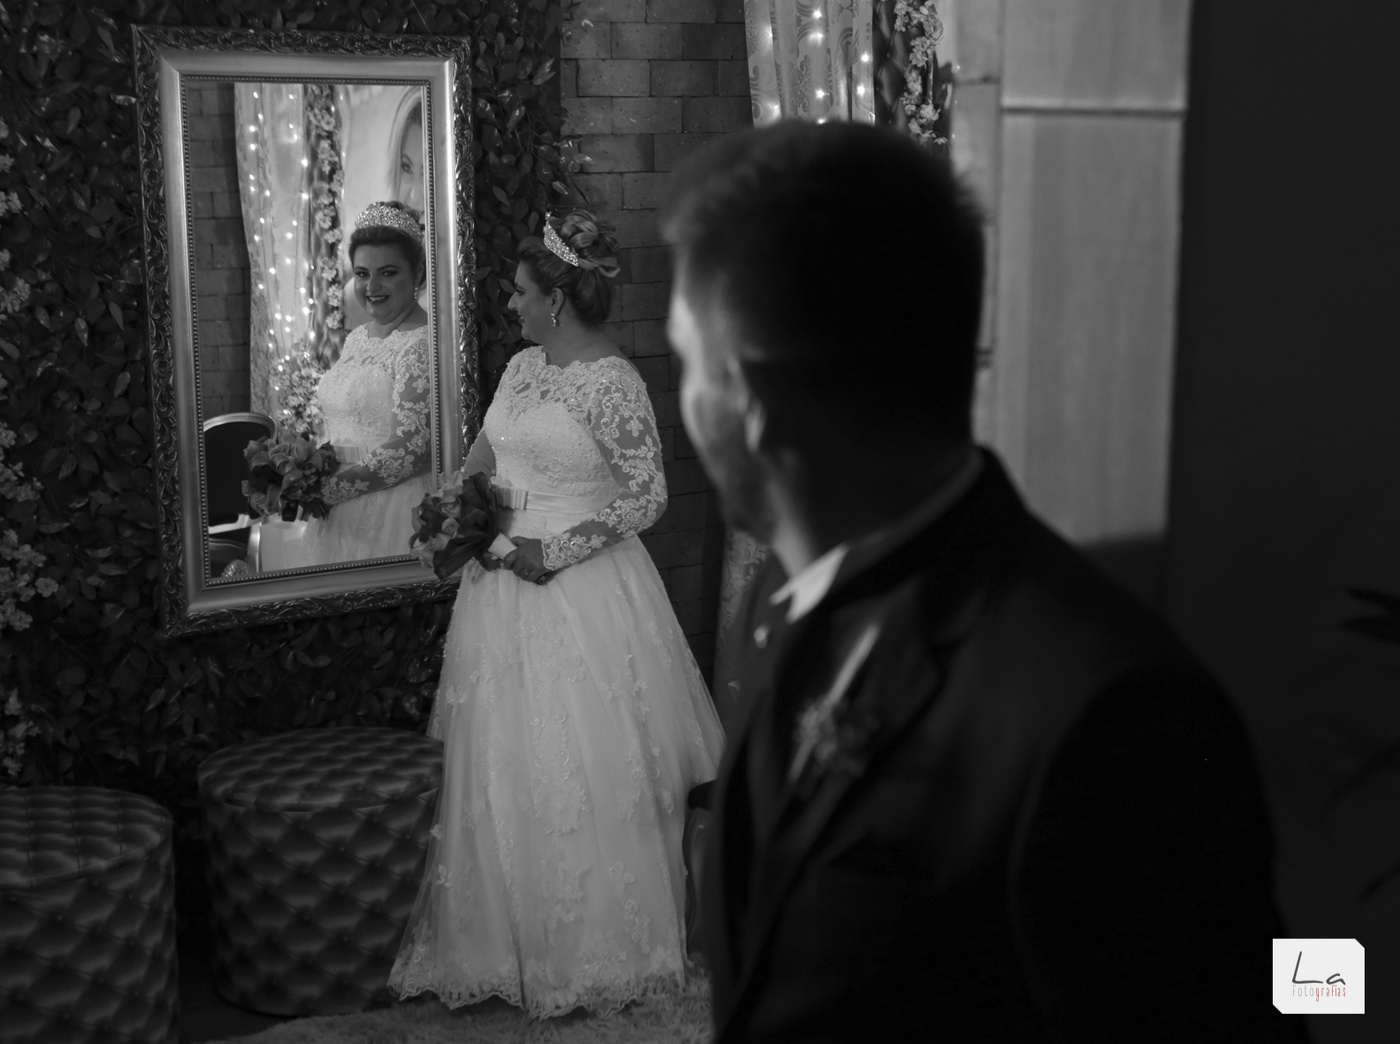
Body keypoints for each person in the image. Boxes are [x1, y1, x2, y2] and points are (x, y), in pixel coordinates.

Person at [661, 122, 1308, 1042]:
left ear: (754, 405)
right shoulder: (779, 599)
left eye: (687, 362)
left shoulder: (1114, 718)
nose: (683, 397)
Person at [388, 210, 725, 1016]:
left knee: (582, 762)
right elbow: (482, 460)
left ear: (558, 301)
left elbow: (648, 495)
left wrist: (556, 549)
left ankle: (596, 952)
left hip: (582, 592)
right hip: (498, 588)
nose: (510, 302)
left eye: (519, 291)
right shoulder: (520, 367)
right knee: (502, 761)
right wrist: (454, 515)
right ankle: (501, 943)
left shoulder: (613, 383)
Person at [295, 200, 434, 566]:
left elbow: (410, 450)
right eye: (362, 273)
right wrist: (305, 470)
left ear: (417, 274)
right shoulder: (358, 338)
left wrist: (329, 490)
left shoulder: (422, 343)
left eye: (387, 273)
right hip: (337, 509)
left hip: (390, 505)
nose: (372, 286)